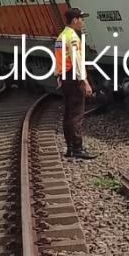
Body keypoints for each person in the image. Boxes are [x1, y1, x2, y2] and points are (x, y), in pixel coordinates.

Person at [54, 8, 96, 159]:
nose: (82, 22)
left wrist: (58, 76)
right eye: (81, 19)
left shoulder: (61, 37)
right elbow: (77, 62)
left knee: (68, 114)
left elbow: (57, 60)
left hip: (65, 78)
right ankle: (78, 148)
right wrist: (85, 82)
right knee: (77, 115)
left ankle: (70, 148)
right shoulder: (72, 37)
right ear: (74, 20)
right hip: (73, 78)